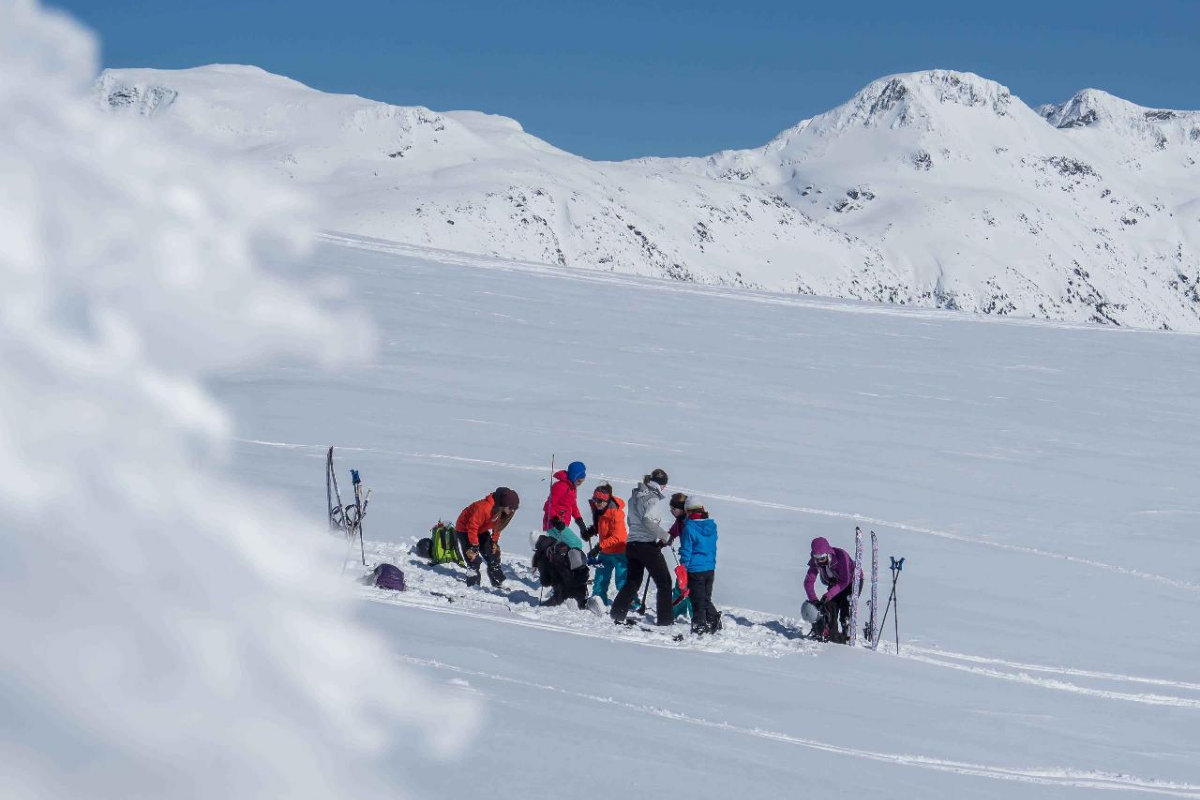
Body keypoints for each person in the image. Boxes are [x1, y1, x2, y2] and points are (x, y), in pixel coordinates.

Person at [610, 469, 673, 626]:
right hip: (646, 545)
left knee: (633, 581)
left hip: (632, 544)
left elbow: (631, 521)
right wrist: (665, 536)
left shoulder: (635, 496)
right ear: (662, 485)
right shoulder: (653, 498)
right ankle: (666, 621)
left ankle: (617, 612)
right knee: (664, 582)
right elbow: (648, 521)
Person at [455, 487, 519, 587]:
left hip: (480, 530)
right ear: (504, 505)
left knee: (493, 553)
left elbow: (498, 527)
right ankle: (473, 583)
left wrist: (494, 541)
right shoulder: (485, 508)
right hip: (465, 530)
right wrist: (474, 544)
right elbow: (472, 526)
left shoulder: (501, 511)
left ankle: (498, 580)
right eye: (511, 508)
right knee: (473, 557)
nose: (512, 511)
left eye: (514, 509)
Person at [804, 536, 859, 643]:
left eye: (822, 558)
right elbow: (808, 582)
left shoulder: (841, 556)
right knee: (829, 606)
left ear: (828, 553)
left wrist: (829, 594)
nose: (820, 561)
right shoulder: (815, 563)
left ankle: (847, 633)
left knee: (846, 605)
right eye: (817, 558)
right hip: (835, 583)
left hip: (851, 581)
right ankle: (833, 636)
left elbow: (844, 581)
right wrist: (814, 600)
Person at [678, 497, 720, 635]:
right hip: (710, 568)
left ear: (689, 511)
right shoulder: (712, 526)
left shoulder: (690, 527)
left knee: (697, 600)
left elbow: (686, 550)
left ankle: (699, 626)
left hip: (695, 569)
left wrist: (683, 567)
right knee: (706, 598)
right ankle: (714, 621)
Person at [585, 483, 629, 607]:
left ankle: (631, 604)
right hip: (605, 552)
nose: (597, 503)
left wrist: (598, 547)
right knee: (600, 580)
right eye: (595, 500)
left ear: (606, 500)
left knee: (622, 582)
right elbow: (603, 528)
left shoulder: (615, 514)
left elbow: (618, 537)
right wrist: (592, 530)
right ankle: (598, 601)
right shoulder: (600, 512)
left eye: (599, 500)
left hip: (620, 553)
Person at [533, 518, 589, 608]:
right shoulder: (563, 544)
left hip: (562, 594)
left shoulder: (543, 557)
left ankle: (567, 601)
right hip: (580, 586)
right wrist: (563, 529)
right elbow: (577, 543)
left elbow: (545, 582)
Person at [543, 460, 589, 539]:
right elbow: (548, 504)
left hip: (563, 524)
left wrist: (579, 521)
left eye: (582, 480)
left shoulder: (572, 488)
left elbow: (573, 505)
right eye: (579, 480)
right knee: (576, 543)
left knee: (562, 548)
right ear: (573, 477)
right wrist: (555, 520)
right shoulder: (561, 486)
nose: (580, 483)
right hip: (553, 525)